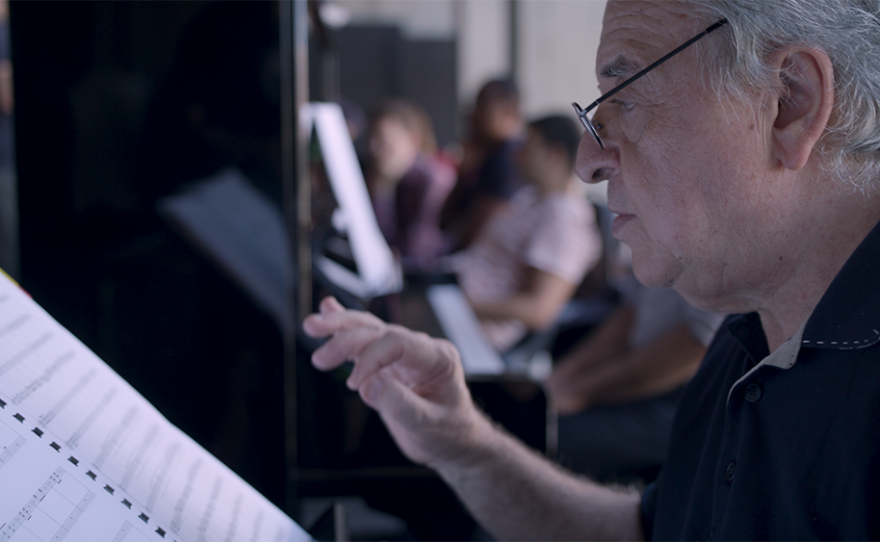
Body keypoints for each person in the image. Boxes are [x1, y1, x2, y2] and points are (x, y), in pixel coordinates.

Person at [303, 0, 880, 539]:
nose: (587, 161)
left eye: (625, 97)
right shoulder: (749, 330)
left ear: (789, 100)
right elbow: (645, 530)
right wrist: (463, 443)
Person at [546, 276, 724, 482]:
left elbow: (694, 345)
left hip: (683, 396)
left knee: (547, 439)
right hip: (633, 368)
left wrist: (577, 393)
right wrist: (554, 383)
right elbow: (630, 312)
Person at [450, 115, 601, 351]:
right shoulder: (532, 197)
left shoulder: (565, 220)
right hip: (455, 307)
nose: (516, 155)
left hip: (474, 332)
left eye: (526, 147)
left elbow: (539, 310)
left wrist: (460, 305)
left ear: (554, 154)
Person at [365, 99, 456, 272]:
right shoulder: (389, 178)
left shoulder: (435, 181)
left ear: (413, 141)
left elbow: (414, 253)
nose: (373, 150)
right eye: (372, 140)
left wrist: (383, 191)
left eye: (384, 142)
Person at [440, 78, 524, 250]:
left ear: (508, 111)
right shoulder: (487, 156)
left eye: (482, 105)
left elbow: (473, 238)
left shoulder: (508, 160)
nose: (472, 115)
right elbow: (443, 220)